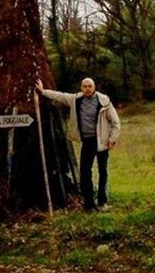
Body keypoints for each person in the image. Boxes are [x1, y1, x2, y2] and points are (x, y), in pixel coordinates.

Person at [36, 77, 121, 212]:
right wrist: (43, 91)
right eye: (84, 86)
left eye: (90, 86)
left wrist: (112, 139)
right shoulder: (76, 99)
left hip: (102, 141)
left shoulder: (104, 101)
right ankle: (89, 203)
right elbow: (60, 96)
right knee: (85, 172)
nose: (87, 89)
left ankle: (102, 201)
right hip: (87, 141)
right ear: (81, 88)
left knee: (103, 171)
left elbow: (116, 122)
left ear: (94, 87)